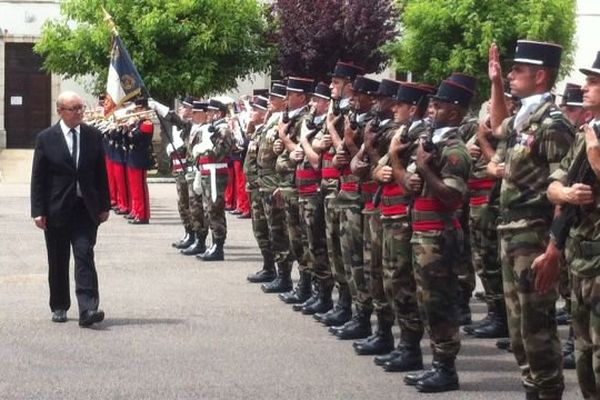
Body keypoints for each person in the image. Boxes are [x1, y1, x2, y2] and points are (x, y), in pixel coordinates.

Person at [488, 40, 574, 400]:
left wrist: (554, 249)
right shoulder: (525, 116)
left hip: (534, 235)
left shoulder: (553, 124)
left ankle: (548, 392)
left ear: (540, 76)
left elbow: (563, 192)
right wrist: (494, 84)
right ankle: (532, 391)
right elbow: (497, 130)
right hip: (511, 231)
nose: (510, 74)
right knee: (519, 329)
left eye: (517, 70)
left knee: (537, 328)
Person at [30, 91, 110, 327]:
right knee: (58, 258)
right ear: (60, 111)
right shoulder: (46, 138)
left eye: (81, 108)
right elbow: (38, 178)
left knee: (84, 254)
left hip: (85, 208)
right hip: (56, 208)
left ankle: (88, 308)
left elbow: (100, 174)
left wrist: (105, 204)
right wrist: (37, 210)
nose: (79, 113)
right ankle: (59, 305)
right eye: (73, 109)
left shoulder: (93, 136)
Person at [546, 50, 600, 400]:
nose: (585, 86)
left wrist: (596, 162)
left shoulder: (591, 142)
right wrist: (565, 191)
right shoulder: (586, 133)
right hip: (581, 259)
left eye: (594, 82)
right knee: (583, 354)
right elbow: (552, 185)